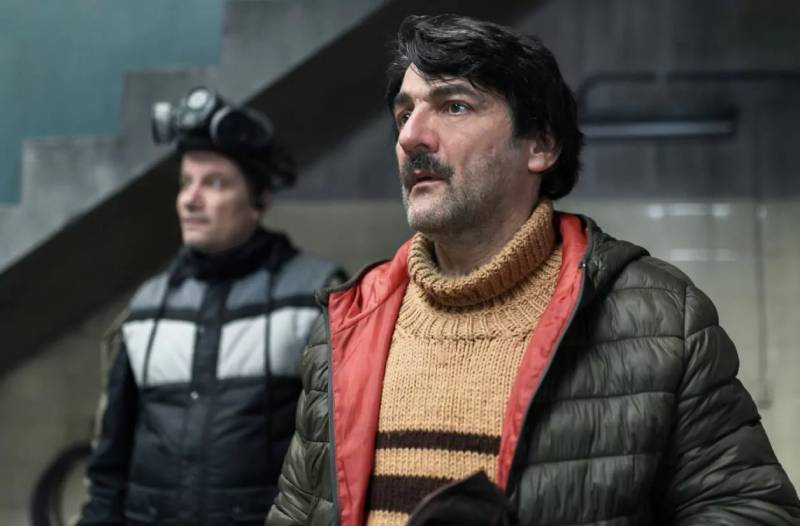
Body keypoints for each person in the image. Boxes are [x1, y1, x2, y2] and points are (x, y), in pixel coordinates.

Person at [266, 14, 800, 526]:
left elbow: (753, 509)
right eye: (404, 114)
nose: (410, 137)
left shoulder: (660, 318)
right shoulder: (347, 325)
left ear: (541, 145)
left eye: (454, 106)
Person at [76, 87, 346, 526]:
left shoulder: (315, 295)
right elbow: (108, 474)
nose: (190, 199)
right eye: (186, 182)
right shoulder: (145, 308)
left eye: (214, 183)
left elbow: (338, 463)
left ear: (259, 200)